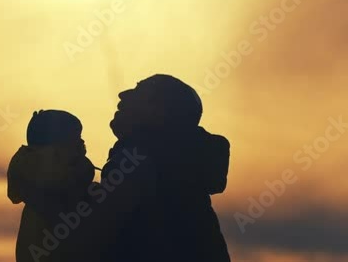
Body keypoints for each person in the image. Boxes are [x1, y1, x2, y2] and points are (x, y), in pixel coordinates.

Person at [69, 74, 232, 261]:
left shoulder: (136, 163)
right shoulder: (179, 172)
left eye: (140, 91)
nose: (123, 95)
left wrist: (54, 194)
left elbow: (89, 237)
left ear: (160, 113)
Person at [6, 110, 97, 262]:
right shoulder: (47, 166)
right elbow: (63, 181)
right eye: (76, 138)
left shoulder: (35, 165)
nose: (81, 143)